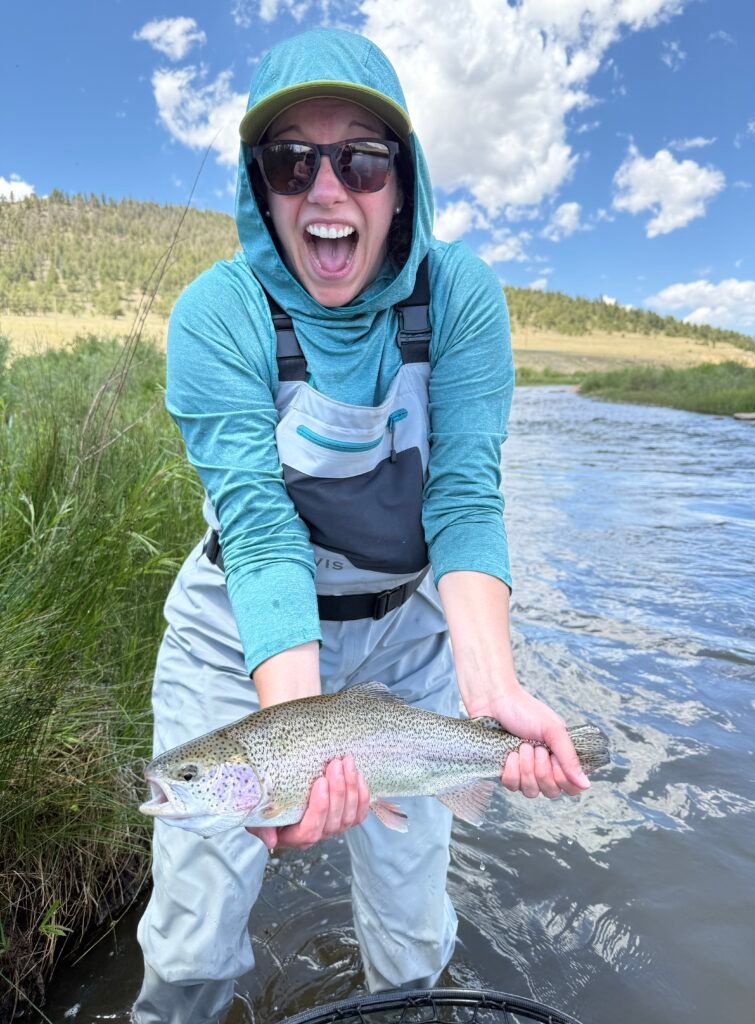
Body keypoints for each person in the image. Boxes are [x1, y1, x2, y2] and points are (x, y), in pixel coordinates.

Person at [132, 26, 590, 1024]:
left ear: (404, 177)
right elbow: (259, 531)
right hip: (236, 630)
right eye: (293, 160)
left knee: (413, 933)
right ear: (262, 184)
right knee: (193, 938)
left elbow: (465, 496)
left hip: (407, 627)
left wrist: (495, 688)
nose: (327, 189)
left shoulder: (459, 297)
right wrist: (285, 764)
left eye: (362, 159)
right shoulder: (217, 314)